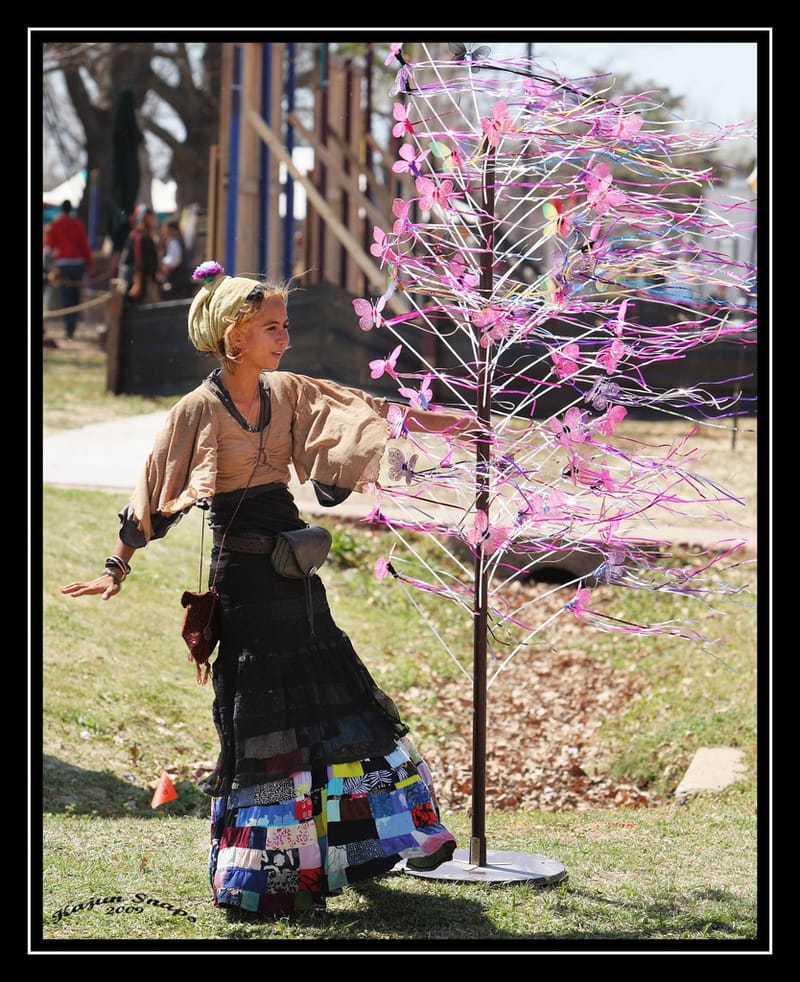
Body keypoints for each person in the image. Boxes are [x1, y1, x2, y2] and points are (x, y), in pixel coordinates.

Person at [60, 261, 482, 918]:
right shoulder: (196, 412)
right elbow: (153, 493)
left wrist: (449, 425)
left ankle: (384, 840)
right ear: (234, 334)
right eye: (271, 327)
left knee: (336, 696)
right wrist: (115, 568)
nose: (284, 337)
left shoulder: (288, 392)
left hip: (295, 579)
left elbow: (368, 417)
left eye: (285, 325)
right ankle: (269, 875)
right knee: (268, 725)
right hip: (246, 589)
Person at [45, 200, 94, 340]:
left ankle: (69, 329)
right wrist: (89, 265)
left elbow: (50, 246)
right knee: (75, 296)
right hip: (77, 265)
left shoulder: (56, 224)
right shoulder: (78, 224)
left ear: (61, 209)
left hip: (64, 265)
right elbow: (85, 246)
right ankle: (72, 327)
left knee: (66, 296)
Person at [118, 203, 160, 303]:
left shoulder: (146, 236)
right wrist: (138, 283)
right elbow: (138, 260)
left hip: (143, 278)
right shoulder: (138, 237)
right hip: (134, 280)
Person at [157, 218, 192, 299]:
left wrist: (163, 265)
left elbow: (174, 261)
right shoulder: (178, 240)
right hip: (181, 280)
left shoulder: (174, 241)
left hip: (177, 281)